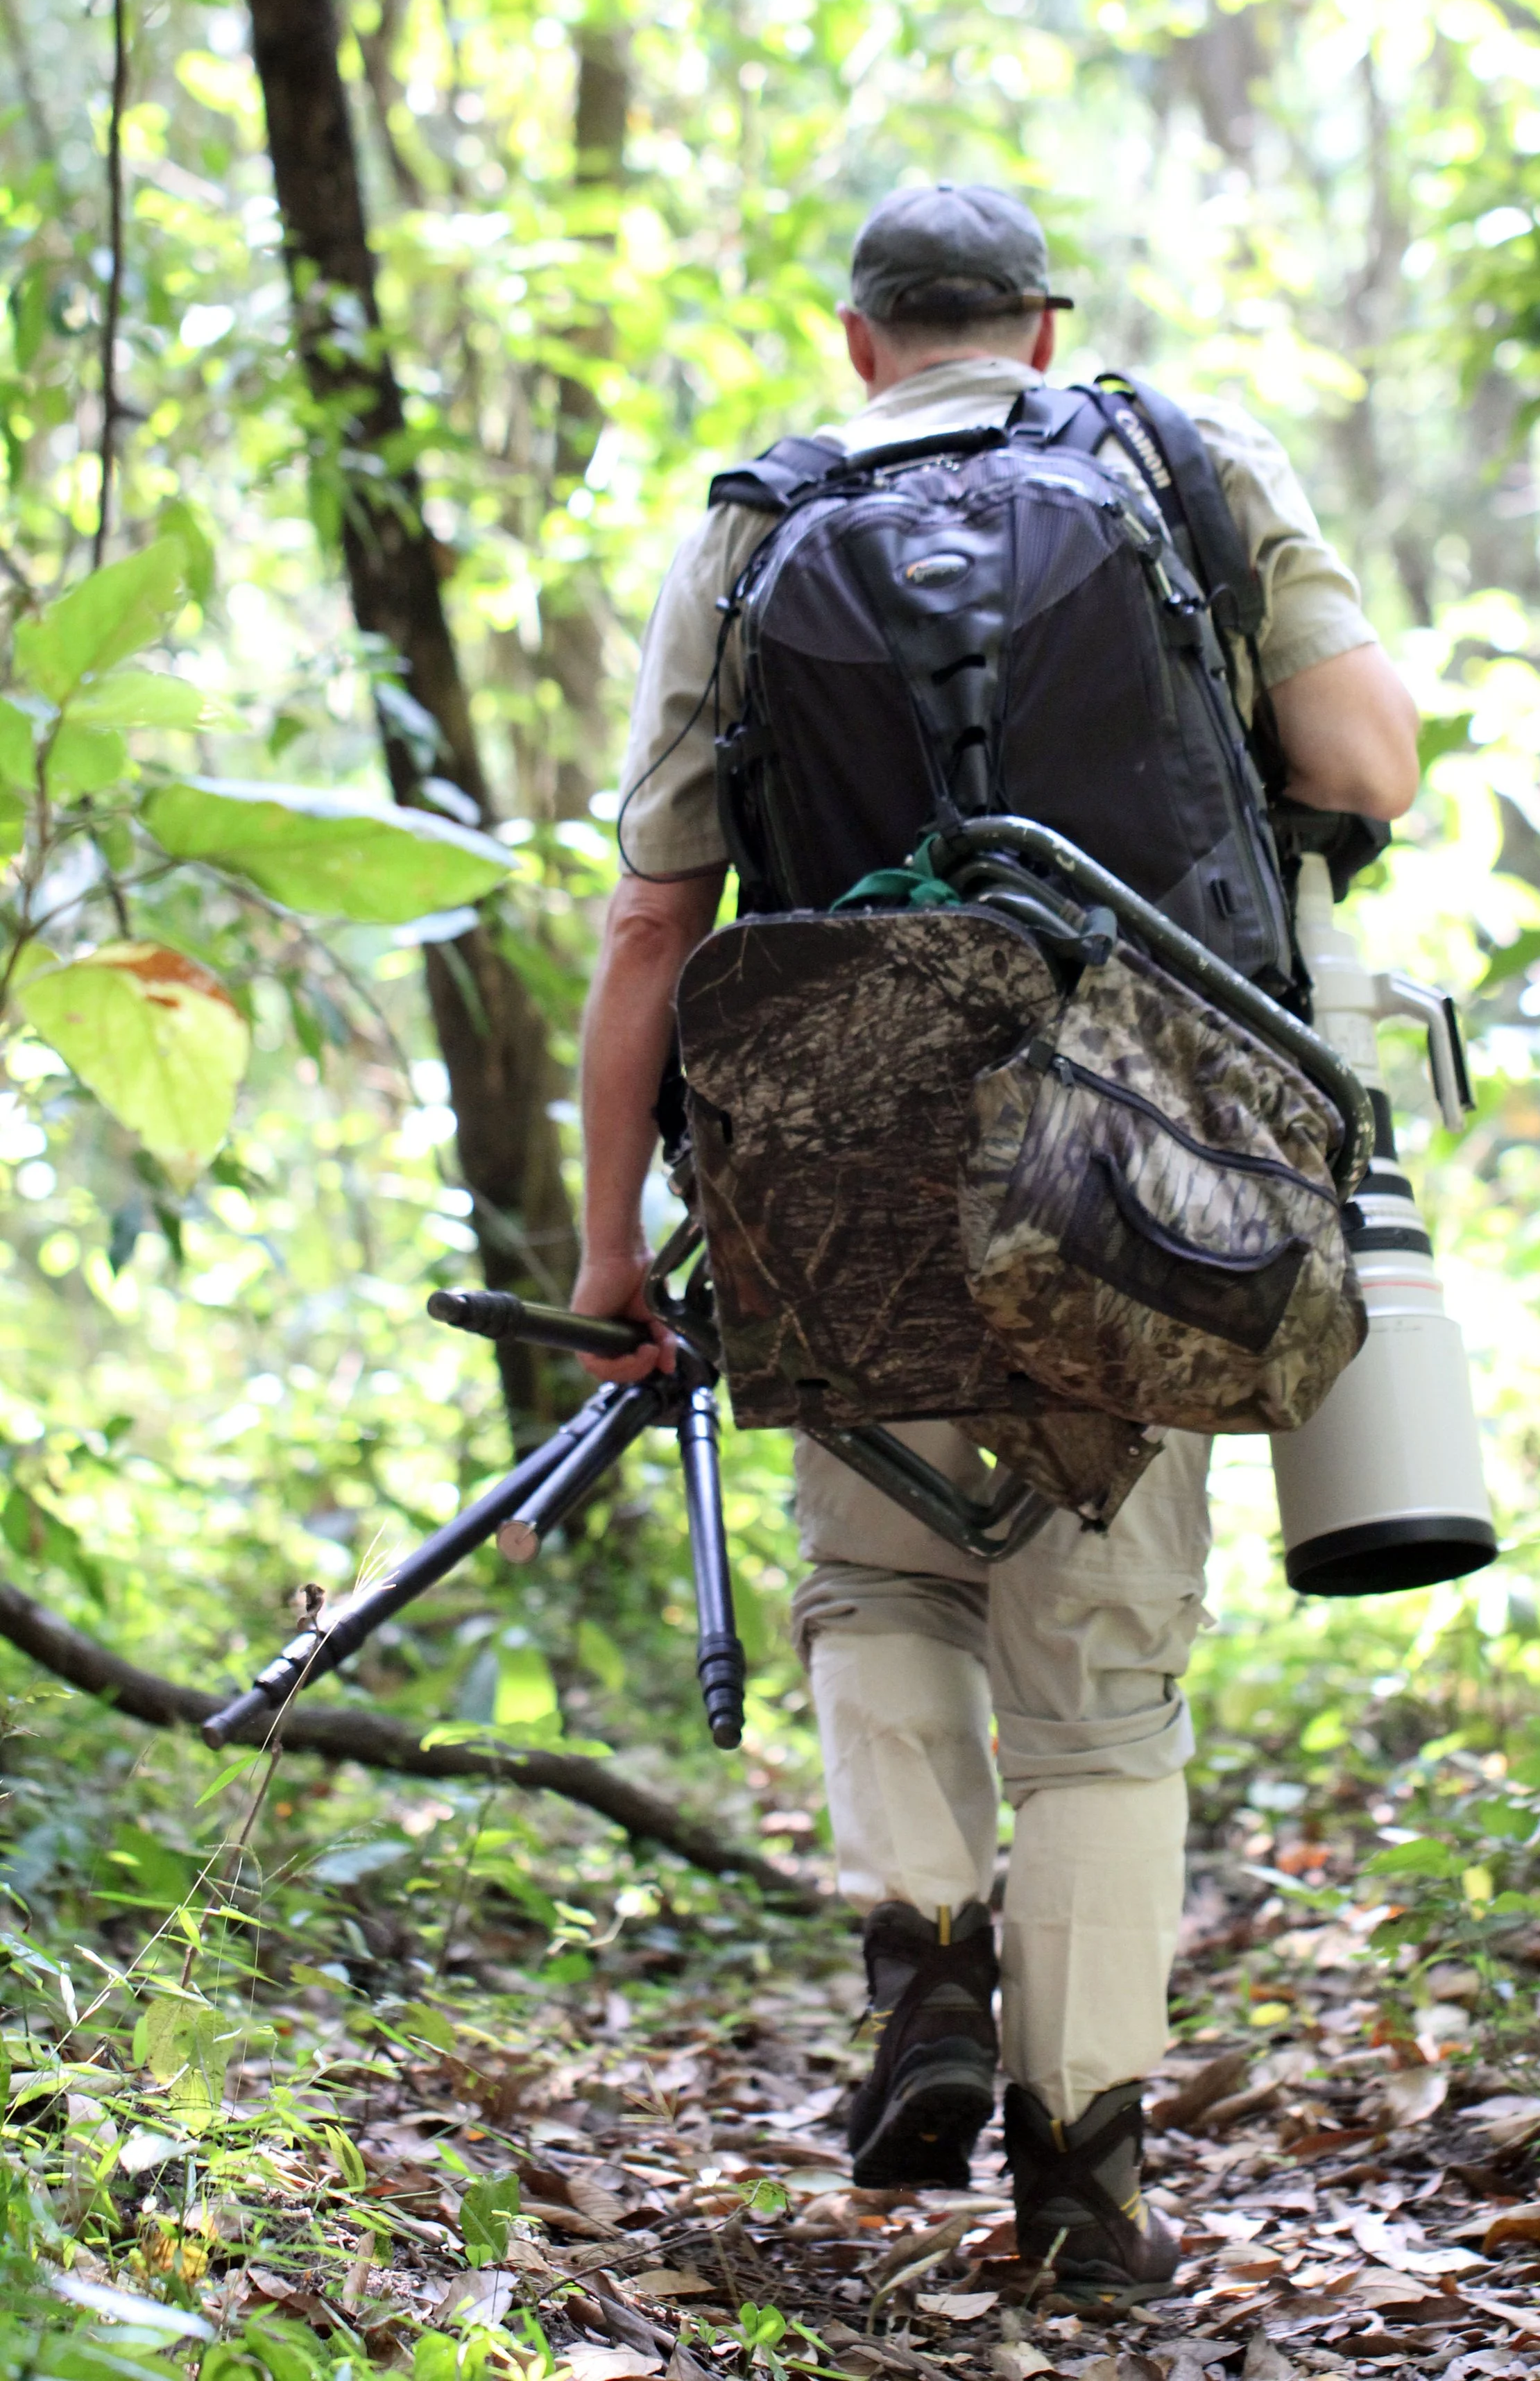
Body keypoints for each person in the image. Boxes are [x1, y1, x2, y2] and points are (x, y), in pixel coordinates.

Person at [570, 186, 1419, 2303]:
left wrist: (607, 1253)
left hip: (840, 1124)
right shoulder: (1178, 462)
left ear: (858, 342)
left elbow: (655, 914)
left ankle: (926, 1941)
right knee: (1104, 1695)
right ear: (1039, 329)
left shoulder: (755, 521)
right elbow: (1361, 757)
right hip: (1153, 1127)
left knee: (877, 1576)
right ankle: (1088, 2175)